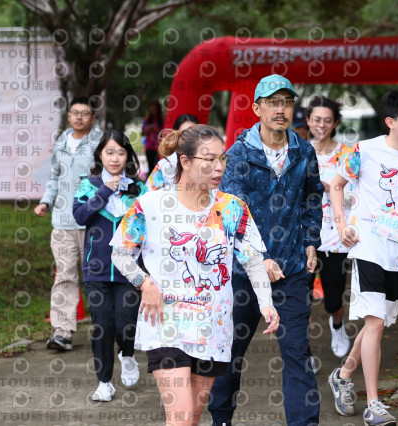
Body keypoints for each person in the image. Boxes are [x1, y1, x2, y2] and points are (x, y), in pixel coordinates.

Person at [111, 124, 280, 425]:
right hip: (166, 322)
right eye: (209, 159)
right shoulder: (150, 205)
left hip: (213, 326)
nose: (219, 167)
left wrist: (266, 303)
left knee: (191, 419)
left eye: (222, 158)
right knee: (181, 417)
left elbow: (253, 260)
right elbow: (120, 254)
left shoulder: (232, 208)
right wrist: (145, 283)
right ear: (185, 162)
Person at [208, 74, 325, 426]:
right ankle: (221, 419)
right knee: (230, 352)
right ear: (257, 108)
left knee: (298, 354)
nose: (280, 109)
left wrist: (310, 242)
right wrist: (260, 258)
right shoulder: (238, 155)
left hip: (291, 270)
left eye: (286, 102)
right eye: (273, 102)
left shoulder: (303, 151)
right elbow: (233, 213)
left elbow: (312, 197)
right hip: (244, 273)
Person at [327, 90, 398, 425]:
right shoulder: (363, 151)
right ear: (391, 121)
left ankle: (343, 375)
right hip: (369, 246)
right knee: (376, 322)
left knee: (376, 321)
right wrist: (341, 225)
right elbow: (336, 185)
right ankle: (373, 404)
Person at [72, 130, 146, 401]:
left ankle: (127, 354)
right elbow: (80, 216)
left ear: (128, 156)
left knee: (126, 323)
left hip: (130, 270)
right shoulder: (88, 185)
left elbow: (150, 225)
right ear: (100, 155)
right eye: (109, 152)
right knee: (102, 325)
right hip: (96, 269)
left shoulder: (139, 188)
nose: (115, 158)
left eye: (120, 152)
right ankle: (104, 382)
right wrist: (105, 191)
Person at [34, 97, 102, 351]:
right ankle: (62, 332)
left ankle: (105, 328)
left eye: (85, 113)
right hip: (62, 221)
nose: (79, 117)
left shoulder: (101, 144)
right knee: (64, 276)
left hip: (92, 223)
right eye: (75, 113)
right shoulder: (62, 142)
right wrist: (45, 202)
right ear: (69, 116)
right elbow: (54, 177)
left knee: (97, 277)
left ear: (93, 118)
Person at [305, 96, 354, 359]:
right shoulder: (299, 152)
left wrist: (332, 189)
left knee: (334, 298)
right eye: (316, 120)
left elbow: (357, 196)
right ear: (308, 121)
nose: (321, 125)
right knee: (300, 299)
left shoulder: (347, 155)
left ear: (335, 123)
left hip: (335, 237)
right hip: (303, 237)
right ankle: (304, 352)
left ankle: (337, 324)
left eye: (327, 120)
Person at [146, 114, 199, 191]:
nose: (190, 138)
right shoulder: (164, 165)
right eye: (184, 133)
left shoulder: (207, 162)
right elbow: (150, 194)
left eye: (194, 133)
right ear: (176, 136)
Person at [142, 99, 164, 172]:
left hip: (159, 148)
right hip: (149, 147)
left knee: (159, 167)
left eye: (155, 109)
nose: (153, 110)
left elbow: (164, 132)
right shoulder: (147, 119)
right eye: (152, 109)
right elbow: (143, 132)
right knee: (151, 168)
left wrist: (156, 130)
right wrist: (148, 129)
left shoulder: (162, 119)